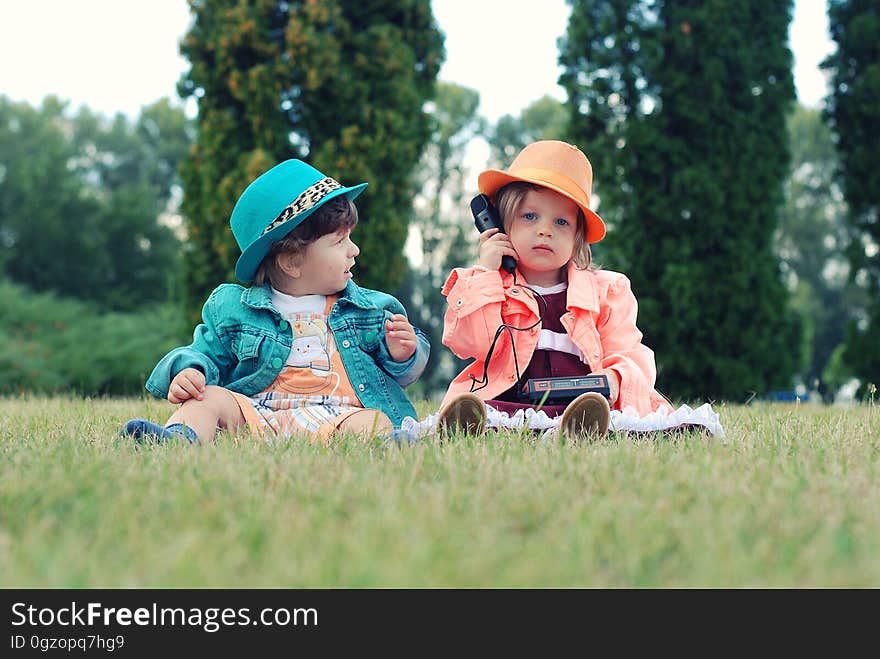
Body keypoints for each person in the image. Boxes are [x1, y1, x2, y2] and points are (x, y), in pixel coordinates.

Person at [122, 159, 428, 445]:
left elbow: (401, 374)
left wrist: (401, 355)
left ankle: (390, 445)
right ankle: (179, 438)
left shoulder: (367, 310)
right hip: (256, 414)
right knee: (207, 399)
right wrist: (190, 371)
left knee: (374, 421)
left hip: (338, 417)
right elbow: (203, 352)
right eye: (339, 241)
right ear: (292, 261)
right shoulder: (235, 310)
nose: (355, 250)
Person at [435, 140, 674, 442]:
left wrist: (615, 378)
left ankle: (576, 429)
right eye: (530, 216)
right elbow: (470, 342)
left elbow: (630, 352)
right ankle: (472, 427)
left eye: (561, 221)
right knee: (489, 411)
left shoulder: (605, 292)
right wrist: (486, 274)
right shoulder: (487, 285)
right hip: (513, 401)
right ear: (499, 225)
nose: (545, 230)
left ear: (577, 237)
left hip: (581, 403)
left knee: (605, 414)